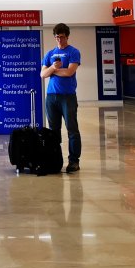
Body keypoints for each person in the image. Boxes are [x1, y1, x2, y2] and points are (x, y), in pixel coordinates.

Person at [40, 23, 82, 173]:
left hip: (68, 96)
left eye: (62, 37)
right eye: (57, 37)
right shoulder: (50, 54)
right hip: (51, 97)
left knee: (72, 129)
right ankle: (55, 160)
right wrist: (53, 68)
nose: (59, 39)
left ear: (67, 36)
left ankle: (74, 161)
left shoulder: (73, 52)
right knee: (53, 131)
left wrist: (52, 71)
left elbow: (69, 72)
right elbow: (42, 74)